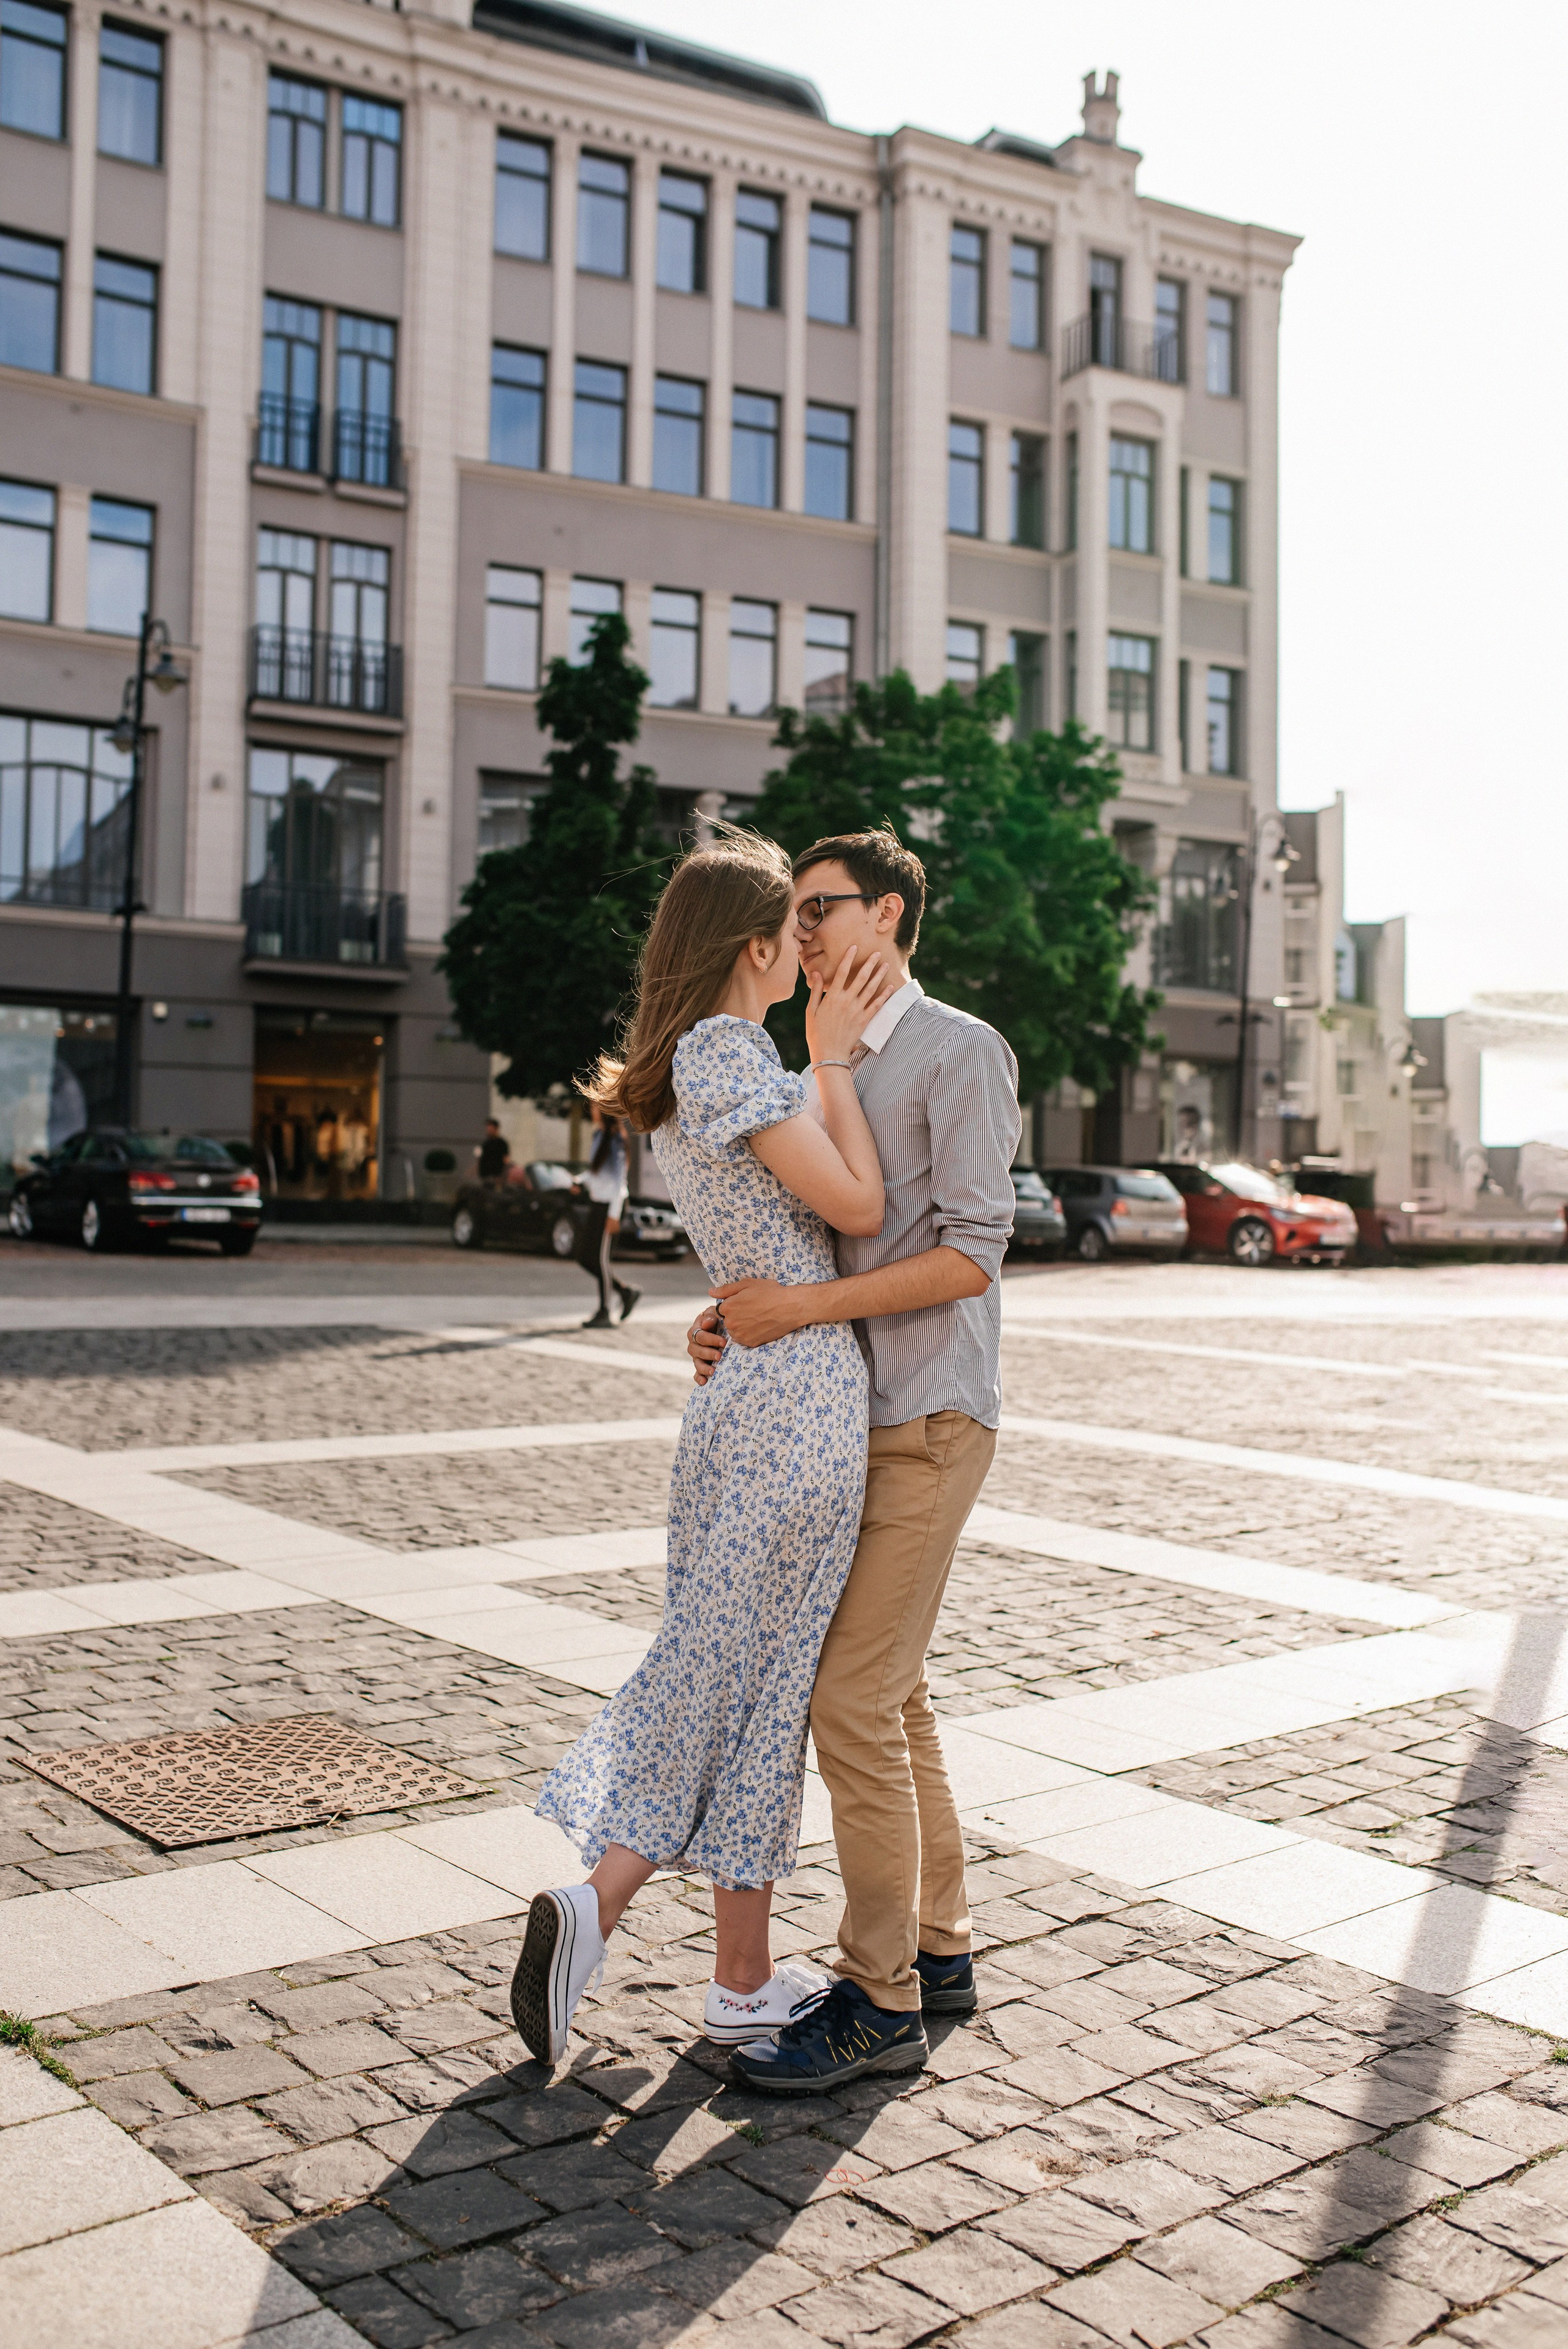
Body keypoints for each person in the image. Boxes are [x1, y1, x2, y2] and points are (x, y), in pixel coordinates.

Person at [510, 829, 897, 2067]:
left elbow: (761, 1231)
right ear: (752, 946)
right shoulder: (733, 1050)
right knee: (740, 1672)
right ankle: (600, 1901)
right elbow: (856, 1210)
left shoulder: (690, 1064)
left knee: (743, 1670)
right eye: (792, 928)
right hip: (793, 1398)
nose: (807, 945)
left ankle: (739, 1981)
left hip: (744, 1391)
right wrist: (832, 1064)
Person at [686, 827, 1020, 2094]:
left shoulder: (959, 1050)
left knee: (848, 1700)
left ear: (886, 915)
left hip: (928, 1417)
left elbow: (971, 1255)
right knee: (900, 1695)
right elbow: (810, 1239)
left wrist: (801, 1313)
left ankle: (877, 2000)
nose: (802, 928)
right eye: (796, 912)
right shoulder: (814, 1059)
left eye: (821, 907)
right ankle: (936, 1950)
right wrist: (733, 1314)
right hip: (839, 1424)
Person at [576, 1104, 641, 1327]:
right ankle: (625, 1291)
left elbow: (619, 1182)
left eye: (595, 1106)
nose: (592, 1109)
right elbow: (597, 1173)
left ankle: (604, 1312)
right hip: (597, 1204)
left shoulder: (615, 1140)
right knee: (585, 1258)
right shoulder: (600, 1135)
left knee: (601, 1260)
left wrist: (614, 1215)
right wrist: (580, 1182)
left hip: (611, 1207)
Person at [477, 1118, 511, 1182]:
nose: (488, 1130)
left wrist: (505, 1173)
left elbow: (506, 1159)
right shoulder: (485, 1144)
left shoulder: (502, 1143)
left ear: (496, 1129)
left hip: (497, 1176)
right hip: (485, 1176)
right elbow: (480, 1158)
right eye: (488, 1128)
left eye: (490, 1128)